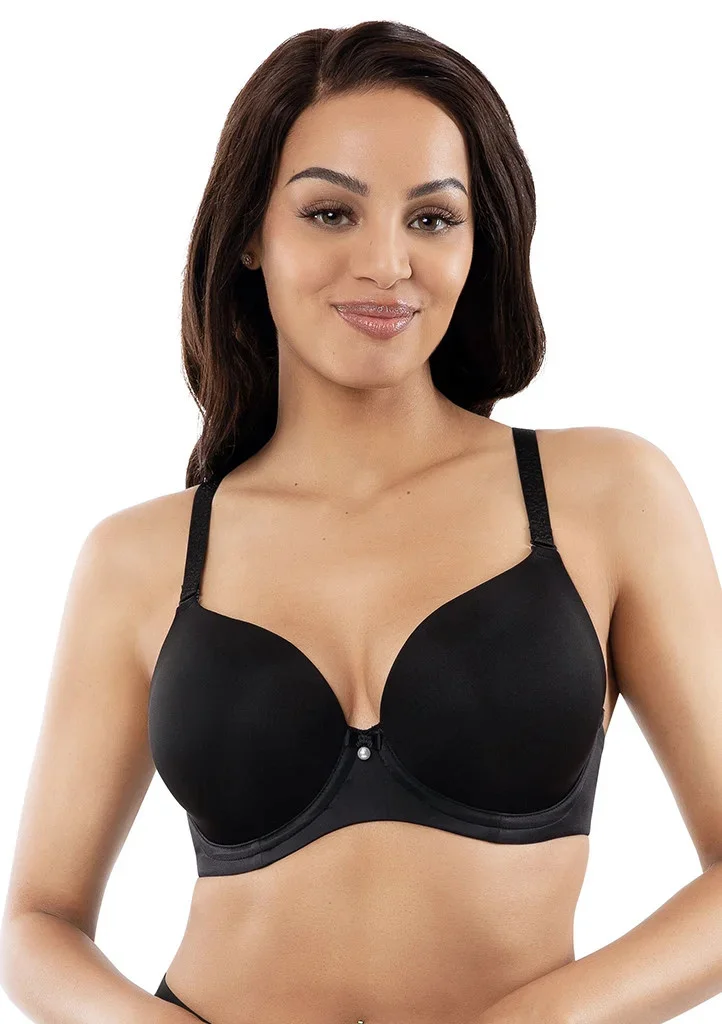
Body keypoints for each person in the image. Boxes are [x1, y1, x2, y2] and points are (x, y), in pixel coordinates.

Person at [3, 18, 722, 1024]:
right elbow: (36, 919)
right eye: (330, 212)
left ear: (478, 240)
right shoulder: (141, 556)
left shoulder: (602, 495)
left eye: (431, 218)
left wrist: (540, 1021)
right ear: (249, 233)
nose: (386, 263)